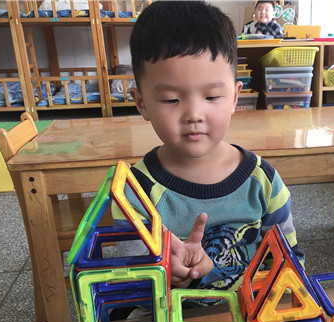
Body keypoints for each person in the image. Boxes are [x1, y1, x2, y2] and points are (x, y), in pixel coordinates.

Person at [113, 1, 303, 295]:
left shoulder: (262, 181)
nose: (194, 114)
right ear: (141, 103)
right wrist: (168, 273)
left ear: (235, 98)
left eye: (212, 97)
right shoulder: (135, 192)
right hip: (175, 321)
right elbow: (130, 286)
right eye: (171, 100)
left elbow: (290, 263)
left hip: (250, 316)